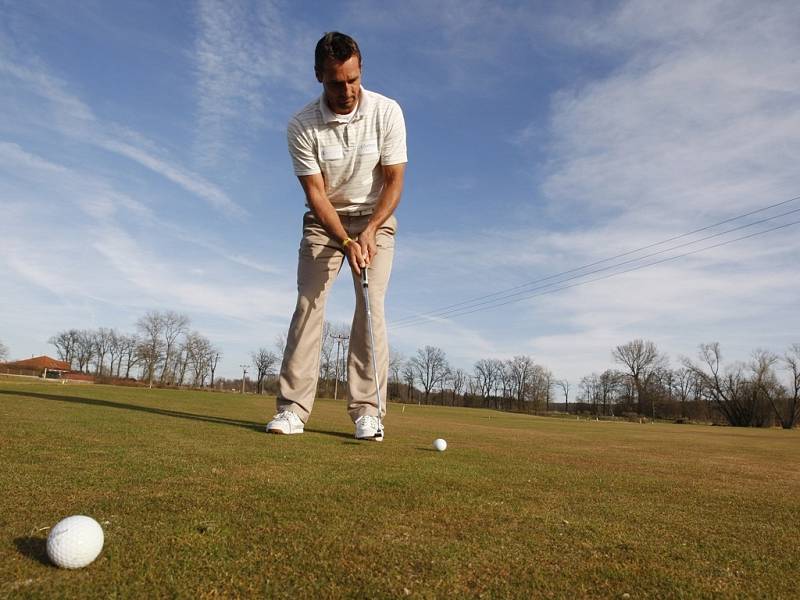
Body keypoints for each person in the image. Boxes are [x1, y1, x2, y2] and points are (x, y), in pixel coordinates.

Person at [266, 32, 407, 441]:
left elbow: (395, 182)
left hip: (375, 216)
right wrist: (346, 240)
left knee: (370, 303)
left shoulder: (387, 111)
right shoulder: (302, 125)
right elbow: (316, 195)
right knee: (309, 303)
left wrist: (371, 231)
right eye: (334, 82)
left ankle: (368, 412)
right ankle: (292, 409)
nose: (345, 90)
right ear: (317, 76)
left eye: (352, 79)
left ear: (360, 70)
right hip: (326, 221)